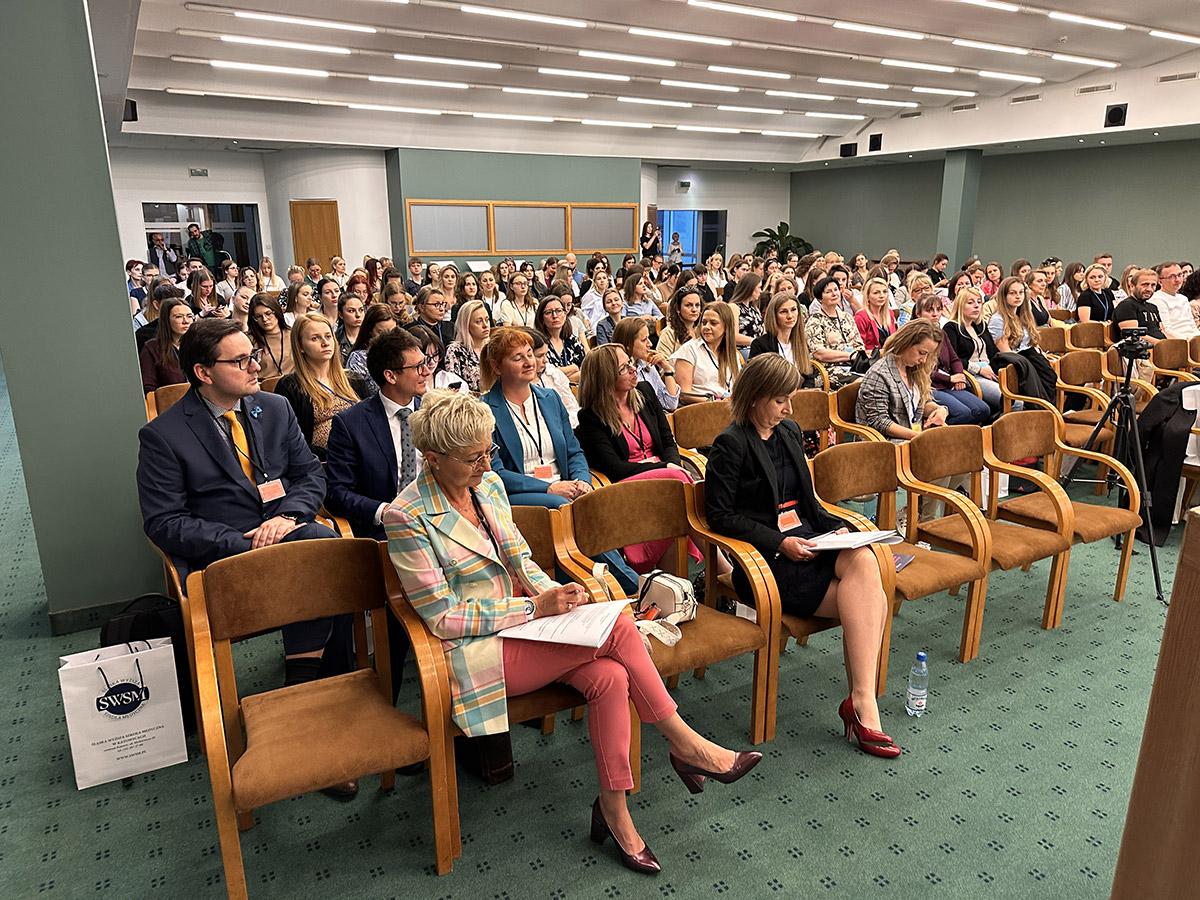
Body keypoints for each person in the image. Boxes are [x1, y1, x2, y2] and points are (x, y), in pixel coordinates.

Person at [385, 389, 758, 874]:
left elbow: (523, 561)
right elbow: (442, 616)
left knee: (611, 677)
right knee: (619, 628)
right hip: (473, 652)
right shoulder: (406, 516)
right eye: (473, 457)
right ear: (432, 458)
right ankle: (685, 743)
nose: (486, 464)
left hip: (531, 629)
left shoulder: (488, 485)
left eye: (487, 450)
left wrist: (557, 598)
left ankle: (614, 810)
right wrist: (533, 607)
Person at [136, 318, 353, 725]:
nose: (256, 366)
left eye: (253, 355)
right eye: (241, 361)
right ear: (204, 373)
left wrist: (288, 515)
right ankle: (318, 691)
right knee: (323, 557)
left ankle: (311, 689)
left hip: (288, 531)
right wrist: (244, 541)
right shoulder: (163, 436)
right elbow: (164, 522)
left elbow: (310, 474)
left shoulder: (274, 407)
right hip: (223, 557)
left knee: (328, 554)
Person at [704, 354, 896, 757]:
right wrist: (779, 543)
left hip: (808, 541)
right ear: (755, 397)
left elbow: (808, 501)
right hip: (764, 559)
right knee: (873, 599)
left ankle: (861, 700)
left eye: (790, 399)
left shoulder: (788, 431)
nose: (789, 409)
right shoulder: (730, 443)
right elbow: (720, 516)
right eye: (781, 400)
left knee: (864, 557)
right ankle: (863, 706)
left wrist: (837, 529)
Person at [480, 328, 638, 590]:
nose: (529, 362)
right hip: (520, 494)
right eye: (518, 358)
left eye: (530, 354)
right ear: (497, 367)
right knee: (563, 505)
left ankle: (606, 583)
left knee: (591, 497)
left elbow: (574, 451)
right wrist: (550, 488)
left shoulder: (550, 398)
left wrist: (582, 479)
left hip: (566, 487)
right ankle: (632, 584)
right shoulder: (486, 408)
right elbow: (495, 472)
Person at [326, 328, 429, 545]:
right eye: (418, 367)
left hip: (437, 519)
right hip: (385, 531)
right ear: (390, 376)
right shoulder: (351, 424)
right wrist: (384, 511)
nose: (427, 371)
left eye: (425, 362)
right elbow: (337, 492)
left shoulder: (434, 412)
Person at [275, 314, 367, 459]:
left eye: (328, 336)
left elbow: (373, 420)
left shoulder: (354, 379)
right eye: (315, 338)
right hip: (323, 462)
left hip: (363, 455)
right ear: (300, 346)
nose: (325, 343)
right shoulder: (290, 387)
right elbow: (291, 441)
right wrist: (337, 454)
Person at [913, 294, 991, 425]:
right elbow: (923, 370)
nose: (935, 314)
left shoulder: (941, 333)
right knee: (963, 413)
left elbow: (955, 359)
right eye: (929, 310)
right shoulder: (915, 336)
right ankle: (937, 434)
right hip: (929, 386)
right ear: (918, 313)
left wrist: (959, 375)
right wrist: (950, 379)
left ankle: (965, 436)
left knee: (983, 410)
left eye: (938, 309)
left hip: (947, 383)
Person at [988, 276, 1057, 400]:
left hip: (1027, 359)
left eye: (1021, 292)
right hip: (1012, 364)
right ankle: (1040, 407)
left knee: (1049, 374)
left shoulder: (1024, 316)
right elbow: (1006, 352)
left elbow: (1031, 342)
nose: (1018, 296)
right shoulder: (998, 319)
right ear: (1004, 296)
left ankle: (1049, 407)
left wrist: (1039, 352)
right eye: (1013, 293)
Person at [944, 287, 1002, 414]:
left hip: (990, 372)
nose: (976, 306)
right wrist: (979, 370)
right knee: (1011, 400)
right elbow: (953, 360)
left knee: (1021, 391)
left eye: (979, 302)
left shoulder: (980, 326)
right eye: (970, 303)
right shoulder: (951, 328)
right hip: (971, 375)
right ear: (960, 306)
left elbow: (993, 351)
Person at [671, 301, 742, 403]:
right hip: (701, 408)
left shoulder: (733, 354)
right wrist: (714, 402)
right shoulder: (689, 350)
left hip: (727, 406)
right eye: (704, 323)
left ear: (726, 327)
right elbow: (684, 394)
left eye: (713, 323)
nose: (706, 327)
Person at [750, 292, 820, 387]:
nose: (790, 316)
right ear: (774, 315)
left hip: (801, 393)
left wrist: (805, 391)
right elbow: (758, 381)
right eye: (783, 311)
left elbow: (809, 375)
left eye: (793, 310)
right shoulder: (760, 345)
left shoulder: (801, 342)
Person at [612, 317, 680, 412]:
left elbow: (671, 404)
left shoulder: (647, 366)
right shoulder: (620, 373)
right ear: (628, 345)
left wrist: (667, 370)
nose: (650, 344)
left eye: (648, 338)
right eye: (644, 340)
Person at [806, 275, 865, 366]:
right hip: (830, 367)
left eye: (836, 290)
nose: (834, 294)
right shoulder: (815, 321)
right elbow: (819, 353)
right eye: (828, 292)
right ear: (820, 299)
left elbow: (859, 345)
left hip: (854, 364)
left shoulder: (847, 317)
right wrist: (850, 355)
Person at [139, 298, 193, 394]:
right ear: (166, 320)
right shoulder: (152, 348)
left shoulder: (200, 345)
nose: (186, 321)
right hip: (171, 401)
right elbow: (149, 388)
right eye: (179, 317)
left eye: (189, 316)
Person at [344, 303, 398, 395]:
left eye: (393, 331)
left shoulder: (402, 354)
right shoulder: (358, 359)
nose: (388, 337)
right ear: (370, 331)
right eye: (381, 333)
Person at [535, 295, 586, 380]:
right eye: (549, 312)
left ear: (565, 314)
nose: (555, 316)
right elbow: (546, 375)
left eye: (559, 311)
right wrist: (573, 368)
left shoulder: (572, 340)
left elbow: (585, 370)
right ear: (541, 319)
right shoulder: (539, 344)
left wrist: (561, 374)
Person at [444, 299, 491, 393]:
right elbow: (454, 390)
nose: (485, 325)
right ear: (466, 325)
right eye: (478, 321)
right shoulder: (455, 351)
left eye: (487, 320)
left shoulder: (494, 347)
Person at [409, 324, 469, 394]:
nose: (432, 362)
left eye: (435, 355)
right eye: (426, 357)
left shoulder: (450, 379)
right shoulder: (408, 385)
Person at [248, 292, 294, 380]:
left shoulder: (293, 335)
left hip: (291, 383)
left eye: (268, 313)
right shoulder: (249, 339)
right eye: (258, 316)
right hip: (261, 385)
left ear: (276, 311)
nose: (264, 319)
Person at [1151, 261, 1199, 340]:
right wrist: (1186, 339)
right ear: (1160, 281)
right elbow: (1166, 330)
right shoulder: (1157, 299)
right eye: (1172, 277)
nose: (1177, 280)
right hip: (1176, 341)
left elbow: (1193, 326)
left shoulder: (1183, 298)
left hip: (1191, 339)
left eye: (1180, 275)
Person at [657, 286, 702, 359]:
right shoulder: (668, 333)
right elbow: (663, 362)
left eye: (697, 305)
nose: (694, 309)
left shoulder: (702, 330)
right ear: (678, 308)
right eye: (688, 305)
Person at [853, 277, 896, 353]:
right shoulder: (861, 317)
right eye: (876, 293)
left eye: (885, 292)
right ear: (867, 296)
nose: (882, 295)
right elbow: (859, 349)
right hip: (871, 358)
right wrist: (880, 352)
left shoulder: (890, 313)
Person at [727, 273, 764, 353]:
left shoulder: (755, 309)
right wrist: (756, 342)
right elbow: (733, 336)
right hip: (742, 349)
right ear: (750, 288)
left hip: (758, 348)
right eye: (759, 287)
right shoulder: (734, 307)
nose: (761, 291)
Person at [335, 292, 366, 364]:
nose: (358, 315)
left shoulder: (371, 337)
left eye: (361, 310)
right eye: (351, 311)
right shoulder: (335, 340)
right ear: (341, 315)